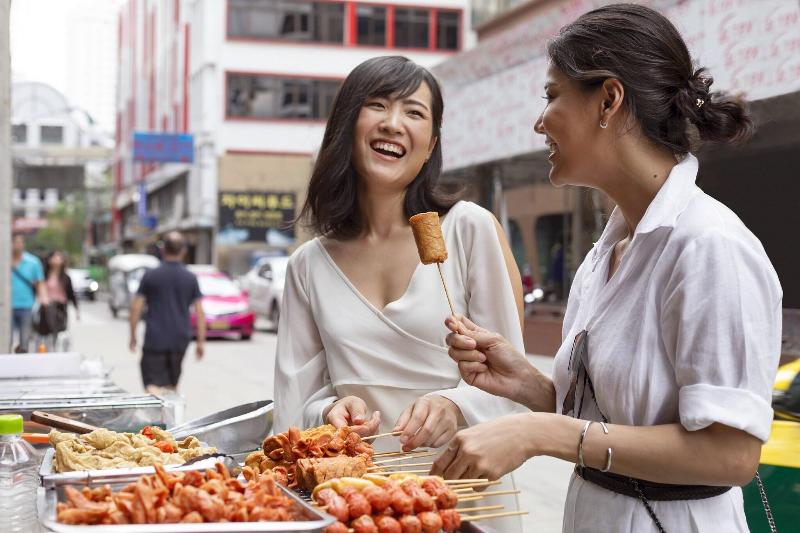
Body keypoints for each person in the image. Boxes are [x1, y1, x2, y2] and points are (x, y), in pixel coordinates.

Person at [432, 5, 781, 533]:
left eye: (552, 95)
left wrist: (539, 434)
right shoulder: (604, 253)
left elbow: (730, 454)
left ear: (609, 100)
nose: (539, 121)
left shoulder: (710, 245)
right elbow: (618, 423)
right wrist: (529, 384)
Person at [273, 56, 526, 532]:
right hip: (359, 505)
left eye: (414, 112)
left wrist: (456, 406)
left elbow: (515, 386)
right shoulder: (307, 265)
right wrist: (328, 411)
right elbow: (294, 401)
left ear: (431, 144)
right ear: (347, 125)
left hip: (464, 499)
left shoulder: (469, 230)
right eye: (377, 105)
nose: (393, 123)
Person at [128, 232, 205, 393]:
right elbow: (199, 312)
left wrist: (133, 335)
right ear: (183, 251)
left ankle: (158, 416)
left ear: (163, 250)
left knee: (152, 385)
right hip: (180, 339)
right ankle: (170, 415)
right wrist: (200, 342)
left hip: (155, 339)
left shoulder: (150, 276)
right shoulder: (190, 278)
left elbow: (136, 307)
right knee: (172, 385)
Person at [10, 233, 48, 353]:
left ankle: (21, 364)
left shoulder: (33, 262)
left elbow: (40, 283)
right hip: (6, 307)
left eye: (20, 242)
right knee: (6, 339)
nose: (18, 245)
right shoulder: (4, 260)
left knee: (24, 339)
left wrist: (44, 298)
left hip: (26, 305)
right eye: (15, 242)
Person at [36, 251, 80, 351]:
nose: (57, 260)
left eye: (59, 257)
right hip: (46, 308)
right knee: (46, 333)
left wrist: (77, 309)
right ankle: (47, 350)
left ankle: (57, 351)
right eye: (54, 257)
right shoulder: (44, 275)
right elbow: (38, 289)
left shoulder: (65, 278)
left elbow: (71, 294)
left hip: (60, 308)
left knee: (60, 332)